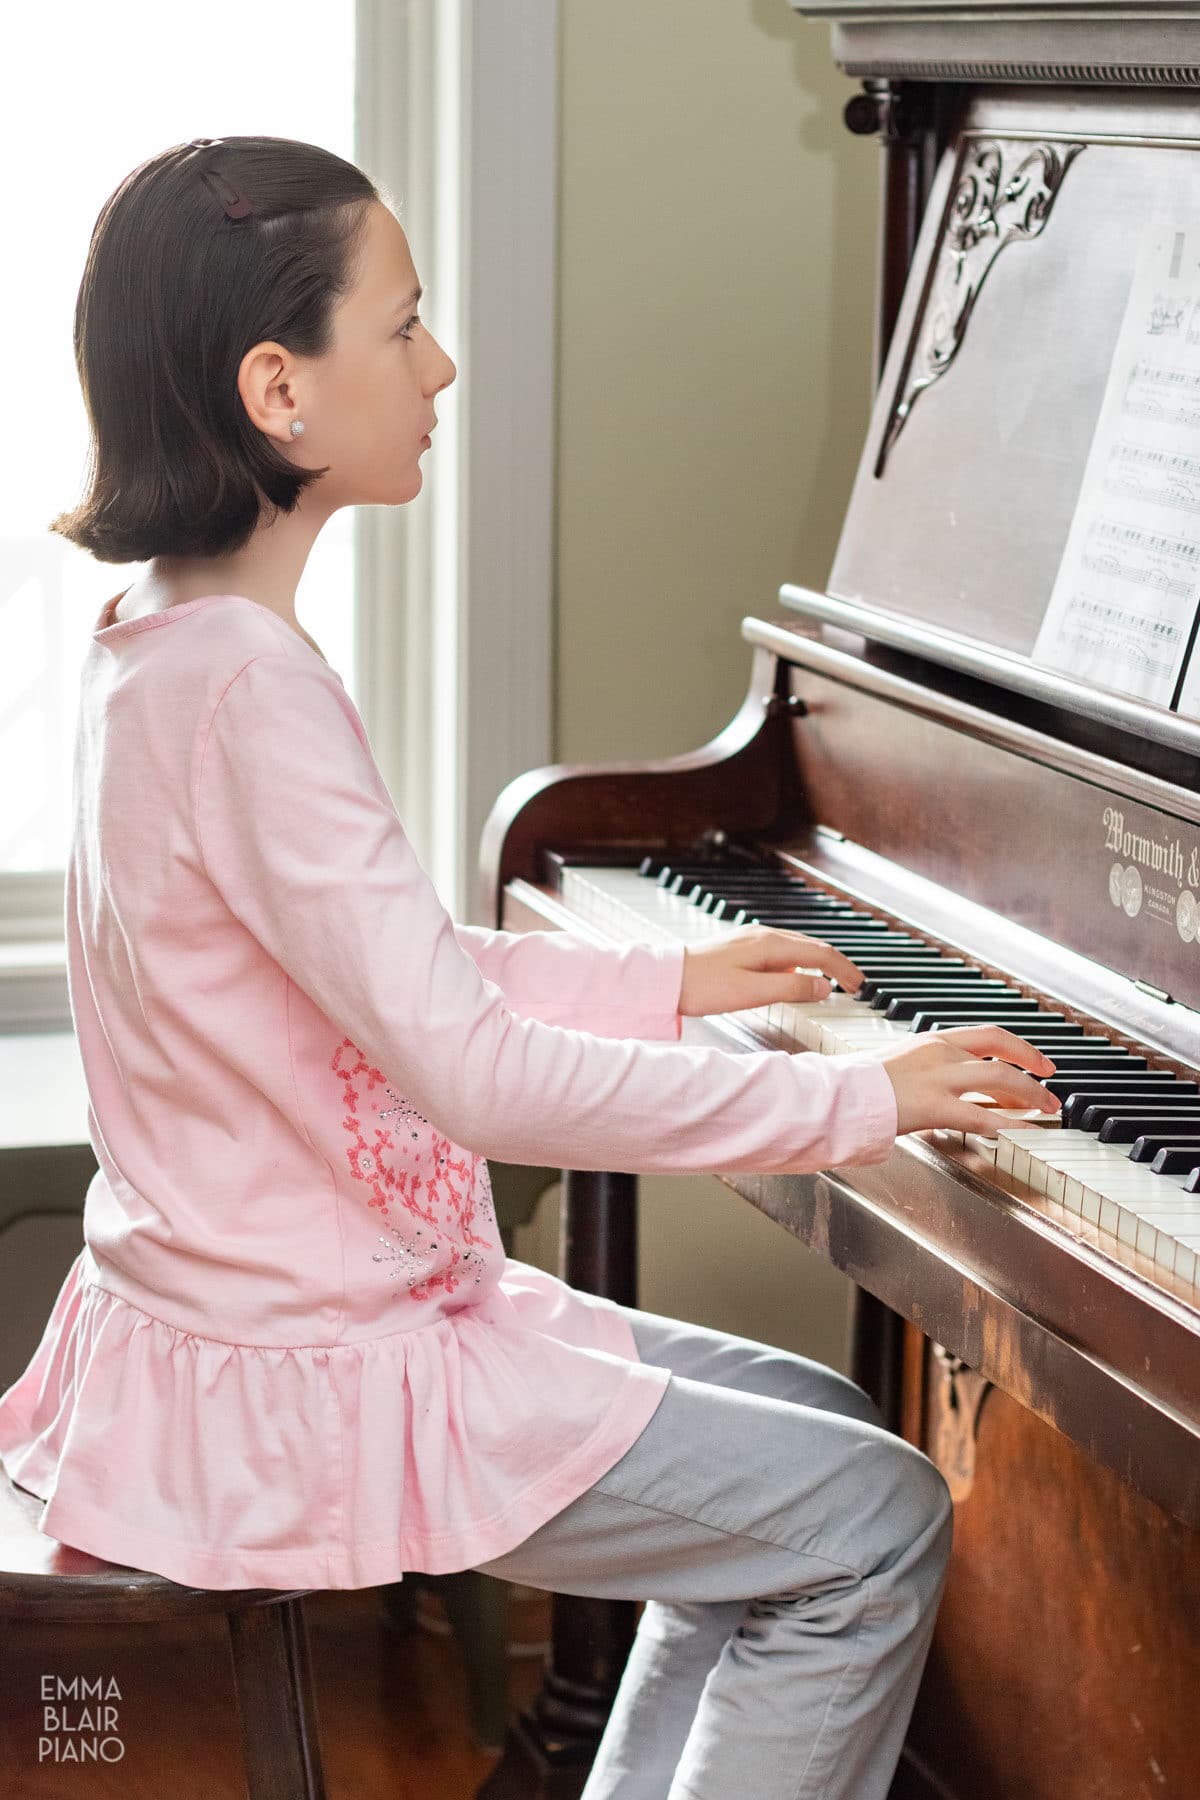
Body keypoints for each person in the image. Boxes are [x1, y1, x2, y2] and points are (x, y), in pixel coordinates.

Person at [0, 136, 1061, 1800]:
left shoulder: (162, 635)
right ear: (277, 389)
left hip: (289, 1313)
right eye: (404, 326)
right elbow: (471, 1074)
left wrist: (670, 984)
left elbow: (375, 970)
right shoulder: (245, 689)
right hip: (319, 1364)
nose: (440, 365)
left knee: (831, 1442)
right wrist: (854, 1097)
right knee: (872, 1523)